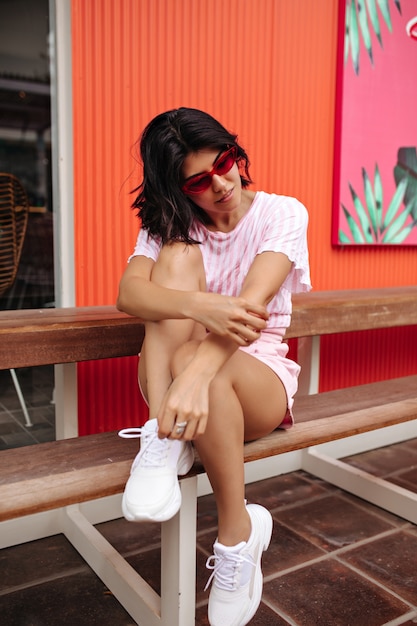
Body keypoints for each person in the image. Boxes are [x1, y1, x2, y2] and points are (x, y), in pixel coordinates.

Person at [117, 107, 311, 626]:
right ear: (178, 189)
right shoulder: (173, 225)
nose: (221, 183)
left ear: (234, 152)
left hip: (257, 381)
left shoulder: (282, 213)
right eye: (199, 181)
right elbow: (129, 294)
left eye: (225, 162)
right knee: (176, 259)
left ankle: (237, 533)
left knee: (191, 357)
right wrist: (197, 305)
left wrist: (196, 374)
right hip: (177, 379)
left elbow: (251, 307)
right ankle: (166, 436)